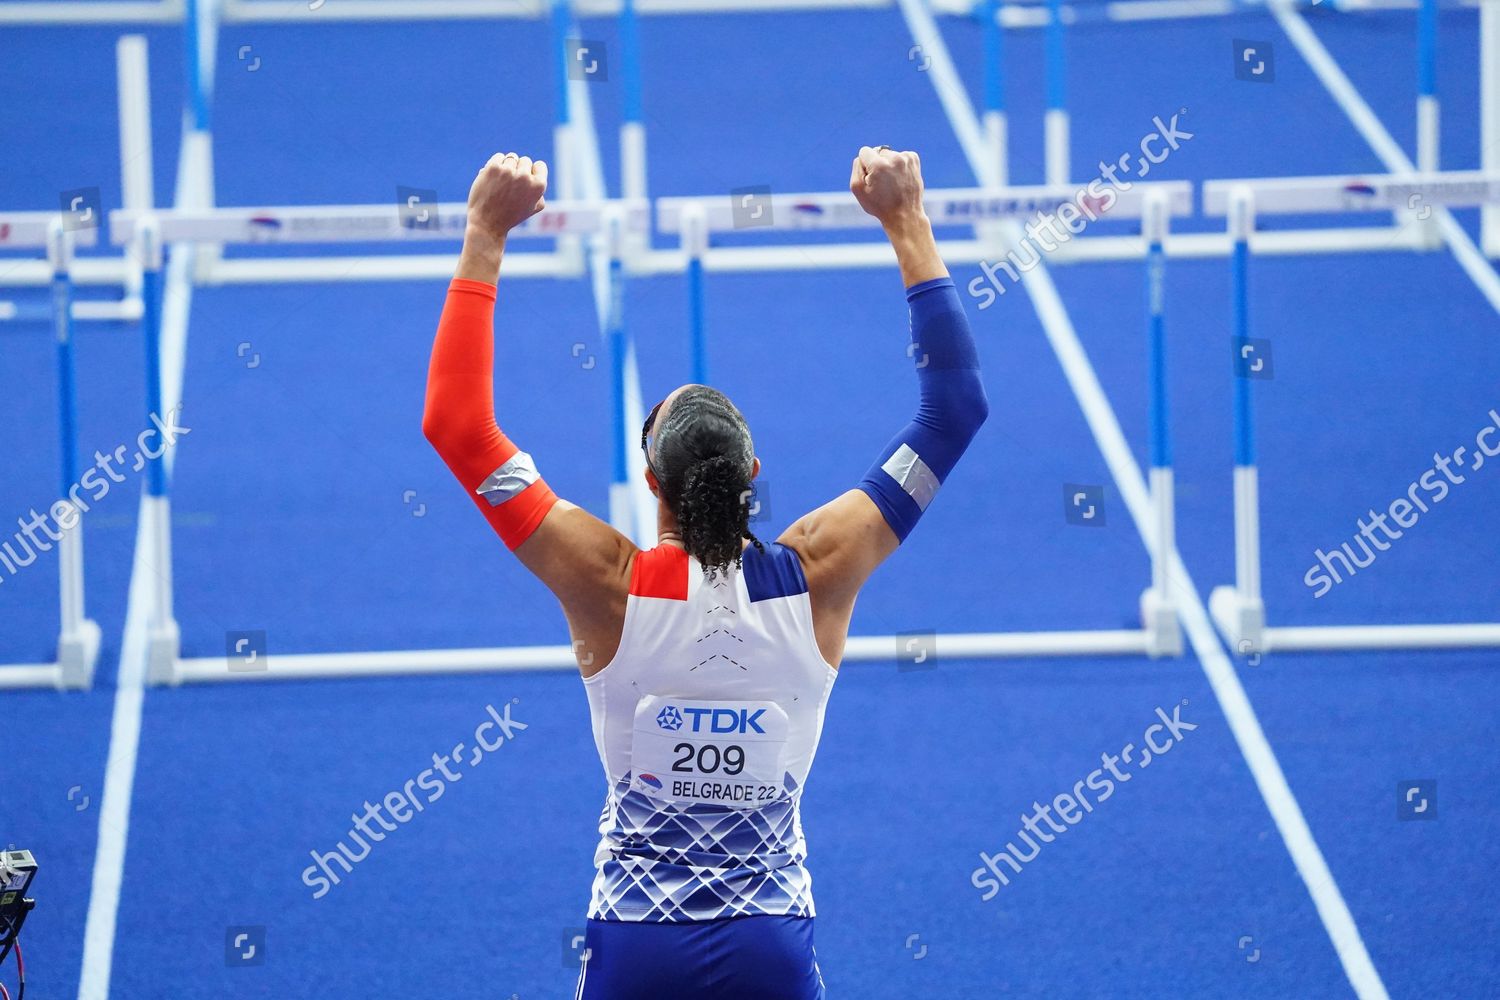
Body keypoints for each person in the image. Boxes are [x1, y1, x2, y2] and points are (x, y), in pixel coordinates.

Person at [423, 145, 987, 999]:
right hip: (770, 943)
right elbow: (953, 412)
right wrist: (907, 221)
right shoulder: (818, 571)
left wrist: (485, 233)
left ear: (650, 484)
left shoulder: (606, 584)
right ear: (753, 476)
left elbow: (458, 427)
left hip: (635, 943)